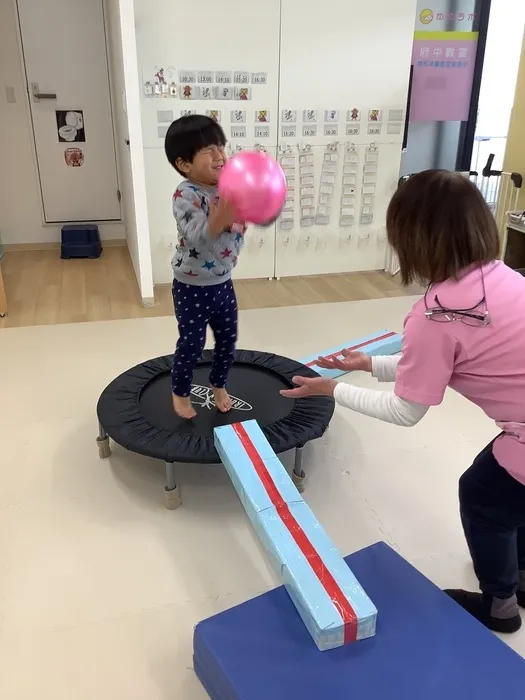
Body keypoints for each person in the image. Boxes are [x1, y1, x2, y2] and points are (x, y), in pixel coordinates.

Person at [282, 170, 525, 634]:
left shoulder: (437, 316)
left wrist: (331, 388)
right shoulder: (500, 277)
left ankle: (501, 605)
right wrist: (366, 365)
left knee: (484, 497)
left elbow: (404, 410)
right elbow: (439, 366)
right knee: (512, 493)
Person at [165, 114, 246, 419]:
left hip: (223, 281)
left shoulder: (228, 188)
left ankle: (219, 384)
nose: (219, 155)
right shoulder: (185, 195)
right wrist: (219, 218)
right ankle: (180, 391)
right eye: (208, 150)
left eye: (220, 146)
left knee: (228, 340)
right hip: (191, 286)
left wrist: (239, 218)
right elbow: (197, 237)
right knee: (192, 343)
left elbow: (238, 227)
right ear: (185, 164)